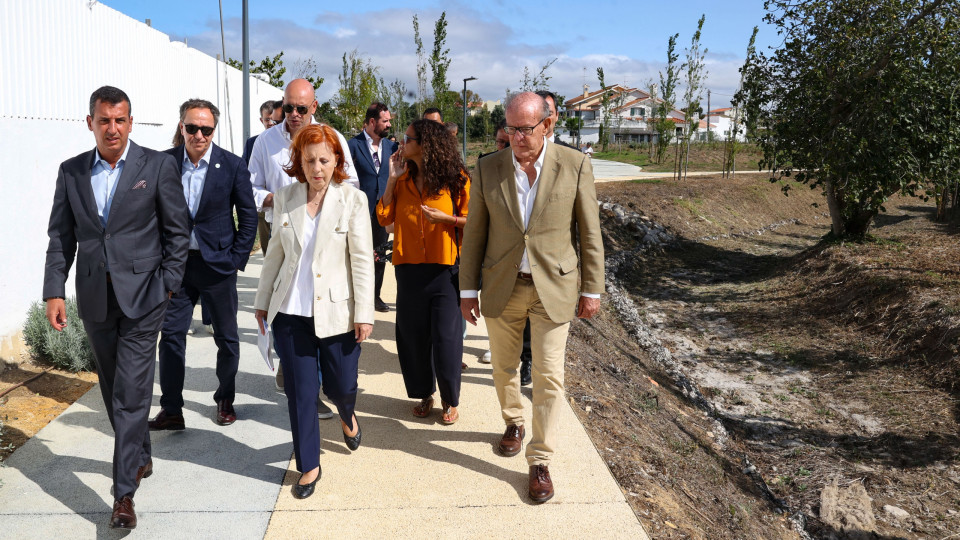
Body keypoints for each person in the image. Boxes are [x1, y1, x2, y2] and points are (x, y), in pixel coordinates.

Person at [42, 86, 190, 528]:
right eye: (104, 120)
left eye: (120, 120)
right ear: (90, 122)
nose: (112, 128)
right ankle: (140, 454)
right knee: (112, 391)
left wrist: (167, 285)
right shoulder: (71, 172)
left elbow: (178, 232)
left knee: (130, 396)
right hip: (95, 298)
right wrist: (54, 290)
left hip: (145, 298)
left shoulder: (158, 165)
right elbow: (60, 237)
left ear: (131, 122)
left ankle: (123, 494)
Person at [460, 92, 604, 503]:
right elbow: (474, 234)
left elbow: (589, 232)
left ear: (547, 124)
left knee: (548, 375)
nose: (518, 137)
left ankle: (540, 460)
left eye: (527, 128)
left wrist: (592, 289)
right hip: (502, 284)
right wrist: (467, 289)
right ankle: (513, 421)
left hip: (553, 287)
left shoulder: (574, 165)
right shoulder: (488, 168)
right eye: (511, 128)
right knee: (504, 367)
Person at [253, 124, 374, 499]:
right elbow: (275, 254)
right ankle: (309, 464)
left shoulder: (352, 200)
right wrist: (261, 301)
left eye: (324, 159)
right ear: (299, 163)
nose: (317, 167)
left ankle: (347, 415)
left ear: (337, 160)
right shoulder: (286, 197)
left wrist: (364, 312)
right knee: (300, 392)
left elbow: (361, 261)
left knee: (341, 385)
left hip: (338, 313)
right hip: (291, 313)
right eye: (309, 161)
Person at [249, 78, 359, 412]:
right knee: (288, 305)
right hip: (281, 236)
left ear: (314, 107)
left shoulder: (332, 138)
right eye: (288, 107)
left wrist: (324, 200)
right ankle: (303, 381)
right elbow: (248, 186)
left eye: (301, 108)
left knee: (318, 306)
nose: (293, 114)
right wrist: (276, 200)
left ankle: (324, 383)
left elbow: (351, 182)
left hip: (325, 238)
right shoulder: (265, 142)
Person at [149, 99, 257, 431]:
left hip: (217, 267)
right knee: (170, 338)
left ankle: (225, 398)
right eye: (192, 127)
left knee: (226, 338)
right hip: (176, 267)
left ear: (213, 130)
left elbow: (249, 216)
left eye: (206, 129)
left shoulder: (233, 165)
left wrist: (236, 259)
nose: (199, 135)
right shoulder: (162, 163)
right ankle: (171, 410)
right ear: (181, 127)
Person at [377, 119, 469, 425]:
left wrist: (447, 220)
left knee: (446, 337)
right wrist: (391, 180)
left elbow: (475, 221)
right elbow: (382, 217)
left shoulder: (457, 179)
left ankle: (449, 398)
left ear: (426, 144)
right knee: (413, 337)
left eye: (408, 138)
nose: (402, 142)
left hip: (445, 270)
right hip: (408, 269)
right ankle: (424, 394)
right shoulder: (401, 178)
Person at [347, 102, 397, 313]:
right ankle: (356, 296)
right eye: (384, 121)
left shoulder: (393, 148)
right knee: (356, 253)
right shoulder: (352, 145)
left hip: (383, 212)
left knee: (379, 254)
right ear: (371, 122)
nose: (388, 125)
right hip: (358, 211)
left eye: (388, 121)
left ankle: (375, 296)